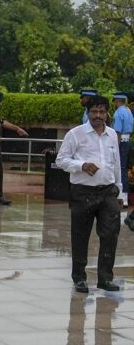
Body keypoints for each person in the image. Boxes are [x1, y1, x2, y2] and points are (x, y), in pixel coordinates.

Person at [54, 94, 123, 294]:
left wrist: (119, 190)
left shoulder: (111, 134)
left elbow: (116, 163)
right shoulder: (75, 134)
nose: (98, 115)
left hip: (108, 192)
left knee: (110, 235)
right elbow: (61, 160)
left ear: (107, 113)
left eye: (102, 112)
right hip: (82, 192)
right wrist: (81, 165)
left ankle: (105, 278)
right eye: (94, 111)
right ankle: (79, 278)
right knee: (80, 236)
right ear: (88, 112)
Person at [112, 92, 132, 206]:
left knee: (119, 169)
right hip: (127, 141)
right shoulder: (128, 111)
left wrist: (115, 145)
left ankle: (121, 197)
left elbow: (117, 132)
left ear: (117, 101)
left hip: (120, 142)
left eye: (115, 101)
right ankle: (124, 197)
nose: (114, 103)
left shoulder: (118, 113)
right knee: (124, 168)